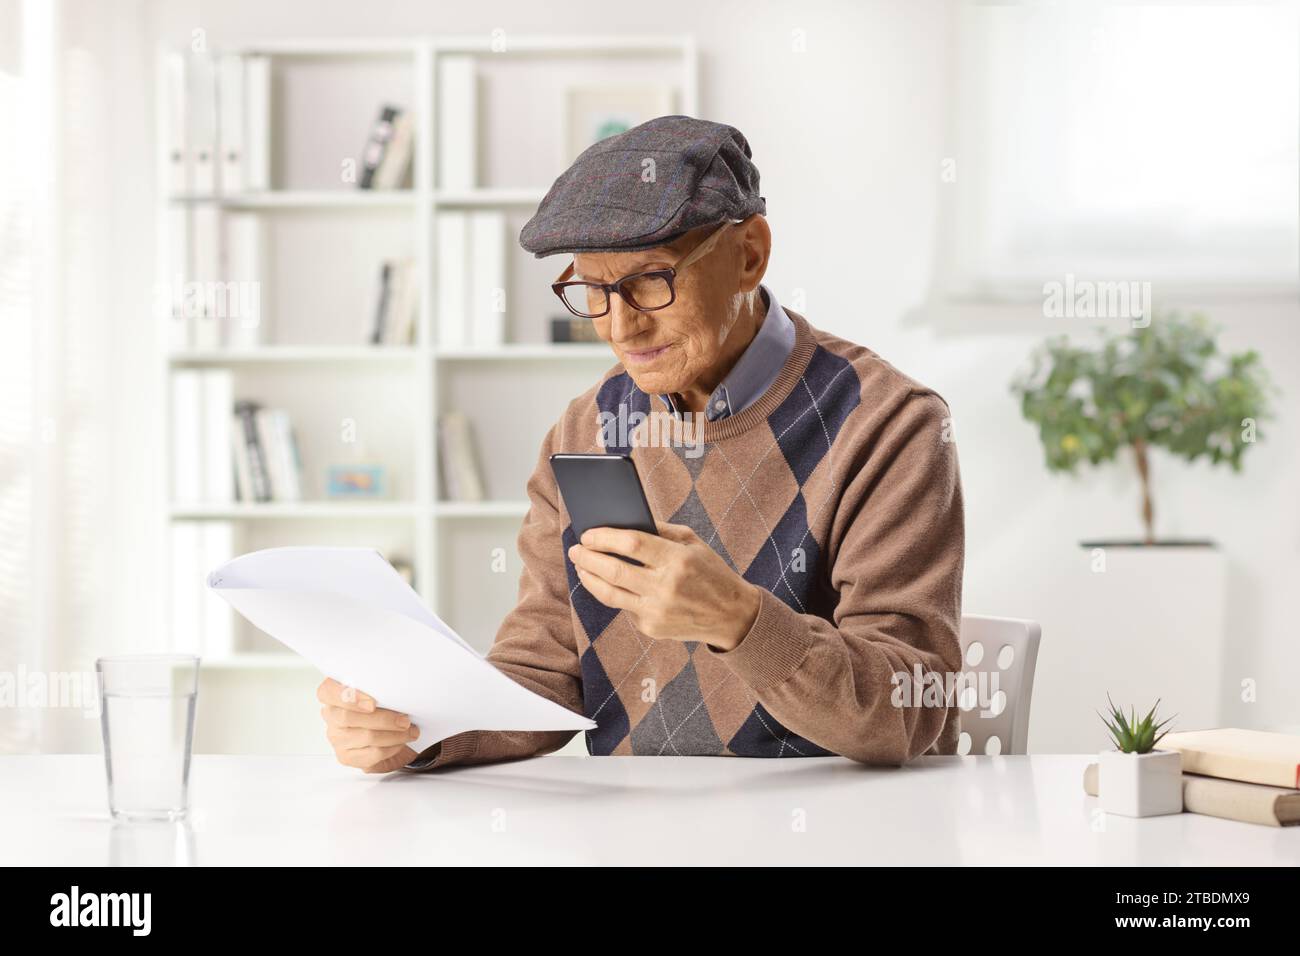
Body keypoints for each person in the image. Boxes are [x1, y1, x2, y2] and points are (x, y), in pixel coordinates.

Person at [317, 115, 965, 773]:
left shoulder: (888, 423)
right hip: (627, 829)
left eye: (651, 280)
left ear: (749, 254)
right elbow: (543, 670)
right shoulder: (586, 429)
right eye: (592, 290)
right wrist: (418, 726)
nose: (620, 326)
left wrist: (740, 623)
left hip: (841, 832)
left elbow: (910, 709)